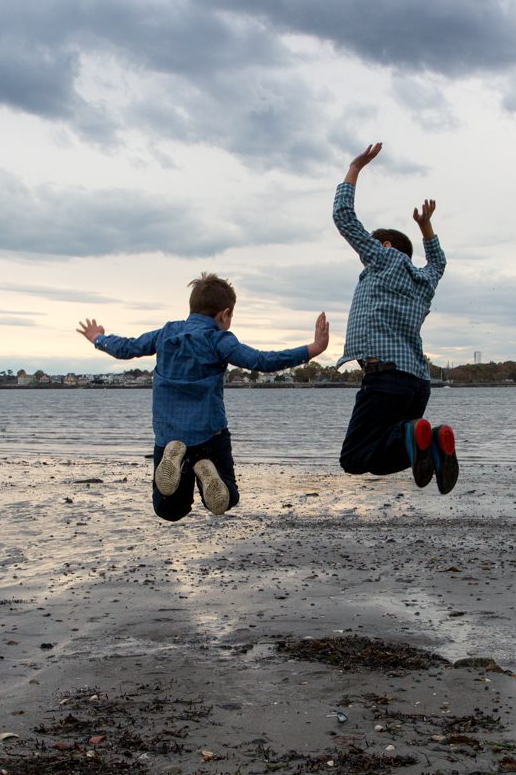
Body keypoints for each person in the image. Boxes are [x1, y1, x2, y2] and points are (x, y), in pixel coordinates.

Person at [79, 274, 328, 521]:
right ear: (225, 314)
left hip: (169, 435)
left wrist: (98, 339)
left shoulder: (166, 333)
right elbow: (261, 361)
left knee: (169, 509)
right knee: (226, 498)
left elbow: (127, 348)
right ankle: (206, 470)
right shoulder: (218, 339)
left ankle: (176, 463)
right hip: (209, 434)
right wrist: (313, 349)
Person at [331, 142, 458, 494]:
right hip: (418, 385)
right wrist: (427, 228)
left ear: (385, 245)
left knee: (355, 458)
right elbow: (438, 264)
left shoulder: (382, 258)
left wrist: (355, 167)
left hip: (384, 379)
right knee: (382, 449)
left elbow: (344, 217)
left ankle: (418, 436)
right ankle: (430, 441)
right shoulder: (424, 282)